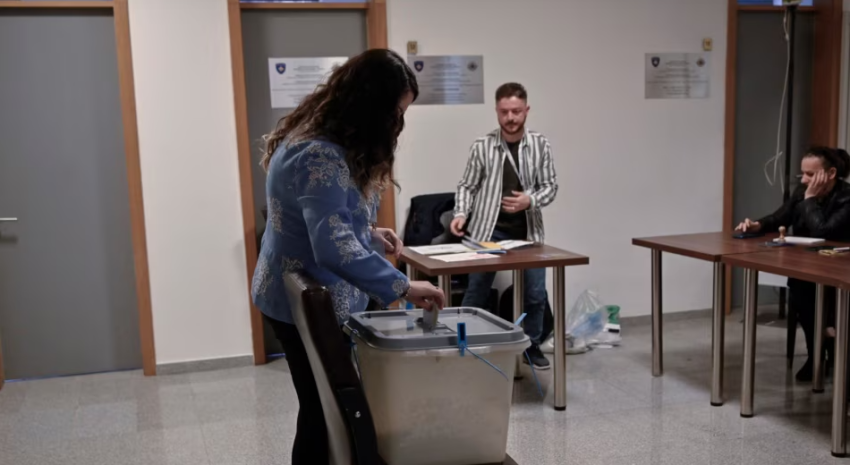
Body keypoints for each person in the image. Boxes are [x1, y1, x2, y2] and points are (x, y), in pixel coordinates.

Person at [251, 49, 446, 465]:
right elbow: (332, 245)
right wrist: (404, 286)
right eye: (396, 113)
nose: (398, 124)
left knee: (321, 408)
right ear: (370, 107)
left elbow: (316, 216)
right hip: (304, 299)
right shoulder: (321, 154)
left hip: (289, 290)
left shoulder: (309, 131)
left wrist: (368, 233)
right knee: (325, 413)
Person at [450, 82, 558, 369]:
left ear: (527, 110)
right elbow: (467, 185)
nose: (510, 118)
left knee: (535, 293)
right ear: (496, 111)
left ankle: (531, 345)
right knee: (476, 291)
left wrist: (530, 201)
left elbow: (550, 186)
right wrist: (461, 213)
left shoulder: (540, 144)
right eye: (504, 111)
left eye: (516, 111)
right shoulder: (482, 145)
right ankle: (465, 345)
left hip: (528, 232)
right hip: (488, 231)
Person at [736, 146, 850, 381]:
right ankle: (815, 355)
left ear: (830, 174)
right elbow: (779, 217)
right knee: (800, 295)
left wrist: (809, 200)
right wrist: (757, 225)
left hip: (839, 268)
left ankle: (835, 352)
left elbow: (823, 231)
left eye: (810, 174)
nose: (804, 180)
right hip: (807, 265)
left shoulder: (846, 197)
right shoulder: (801, 192)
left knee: (829, 306)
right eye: (802, 174)